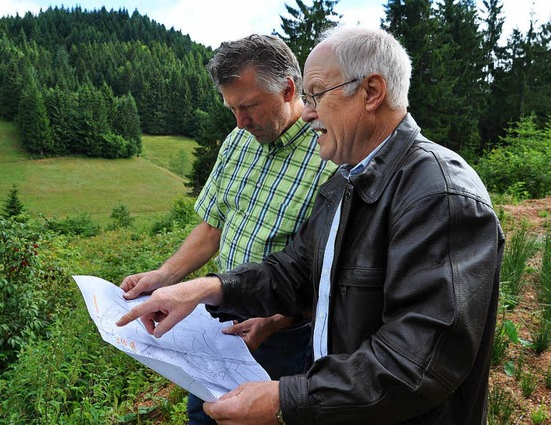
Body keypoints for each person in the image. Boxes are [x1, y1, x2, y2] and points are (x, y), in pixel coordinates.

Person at [118, 26, 504, 425]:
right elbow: (293, 272)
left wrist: (285, 397)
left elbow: (417, 363)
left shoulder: (440, 196)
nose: (309, 111)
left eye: (317, 93)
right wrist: (206, 288)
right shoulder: (347, 181)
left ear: (371, 92)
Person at [118, 34, 336, 425]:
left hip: (283, 336)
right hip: (220, 317)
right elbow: (212, 227)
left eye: (249, 105)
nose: (240, 121)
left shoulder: (330, 153)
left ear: (288, 89)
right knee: (204, 414)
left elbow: (329, 268)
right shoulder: (237, 141)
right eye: (232, 108)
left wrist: (278, 320)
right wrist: (165, 276)